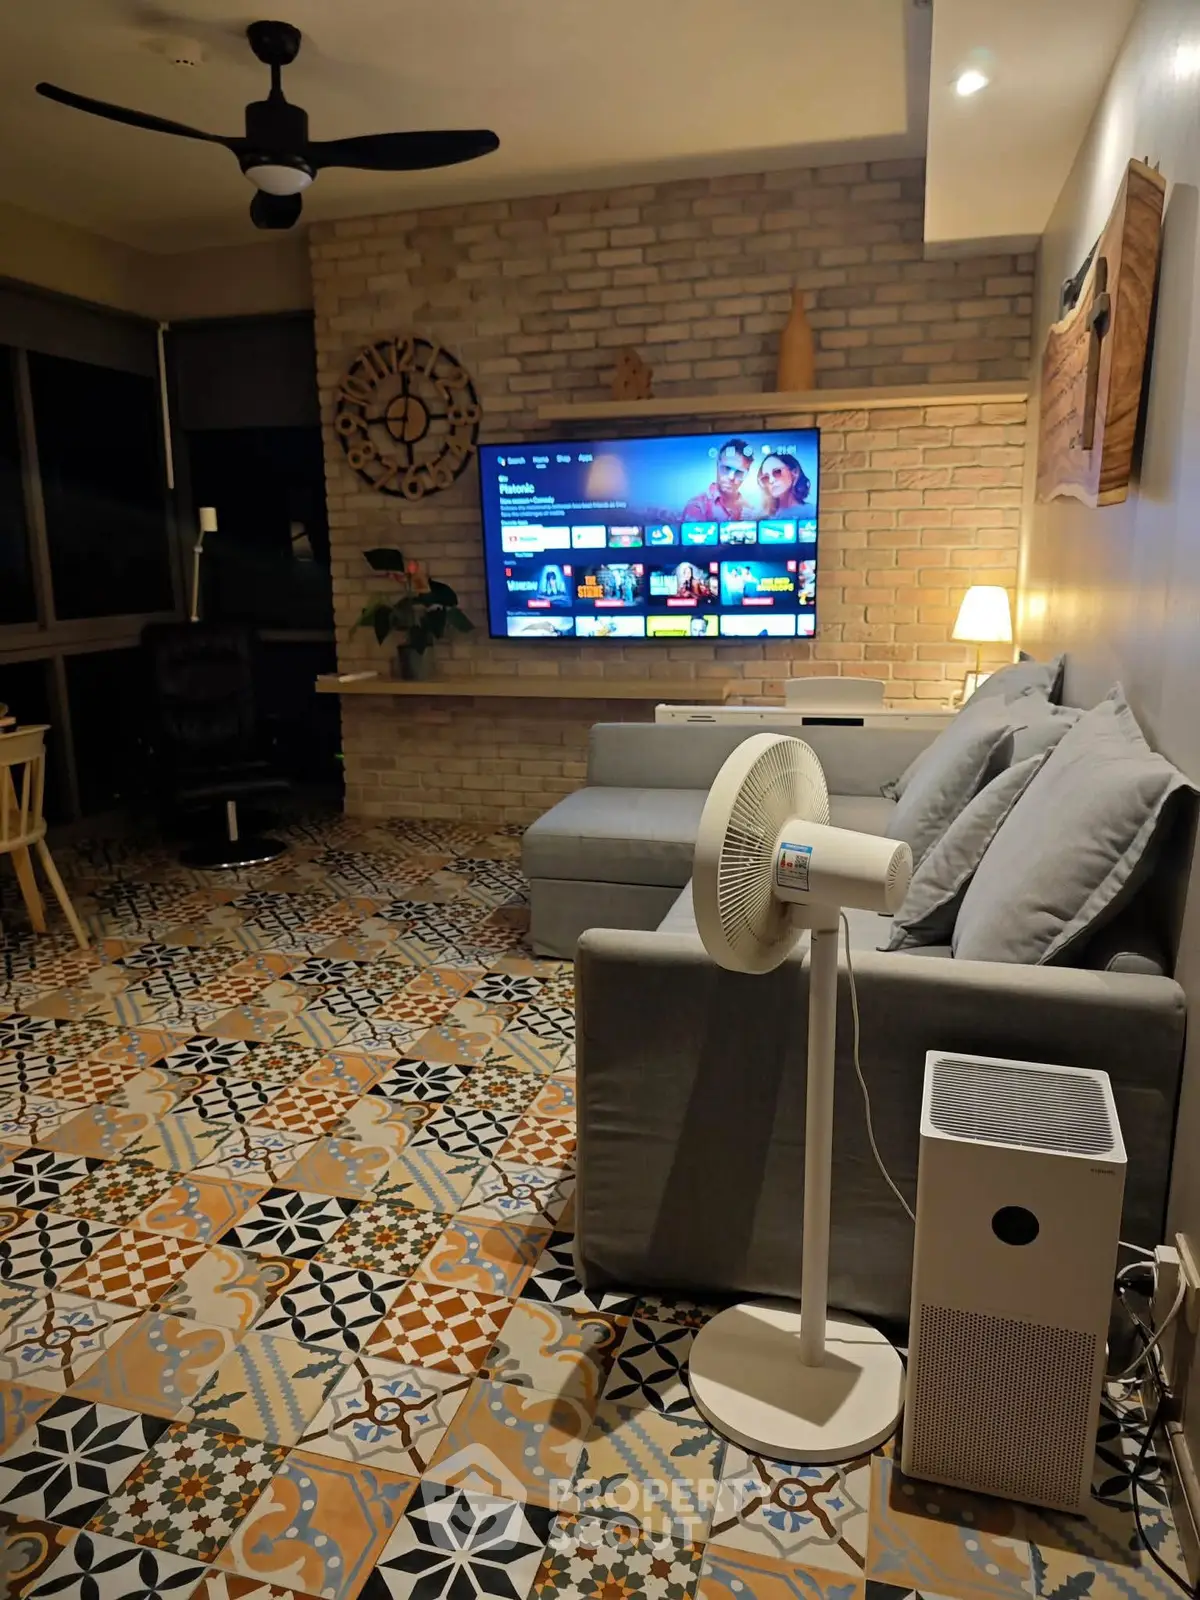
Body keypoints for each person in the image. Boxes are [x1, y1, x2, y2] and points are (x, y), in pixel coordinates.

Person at [683, 439, 754, 521]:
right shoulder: (697, 506)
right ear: (717, 466)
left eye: (738, 472)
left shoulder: (750, 509)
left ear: (746, 475)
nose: (731, 477)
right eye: (726, 468)